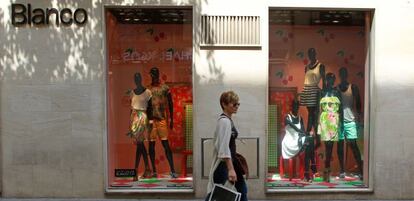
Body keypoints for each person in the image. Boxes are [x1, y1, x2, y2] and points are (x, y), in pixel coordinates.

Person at [206, 91, 247, 201]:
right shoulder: (224, 122)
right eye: (234, 104)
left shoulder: (228, 120)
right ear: (224, 104)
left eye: (238, 104)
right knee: (216, 195)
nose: (237, 106)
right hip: (224, 165)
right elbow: (223, 147)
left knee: (242, 191)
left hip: (229, 163)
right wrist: (230, 169)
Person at [147, 67, 177, 178]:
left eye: (155, 74)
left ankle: (173, 170)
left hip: (161, 119)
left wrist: (172, 119)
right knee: (151, 145)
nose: (153, 76)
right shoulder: (148, 89)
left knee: (166, 145)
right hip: (151, 121)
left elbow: (170, 103)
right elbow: (145, 105)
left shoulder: (165, 88)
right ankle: (154, 170)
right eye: (152, 75)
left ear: (158, 74)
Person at [337, 67, 363, 180]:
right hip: (338, 121)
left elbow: (358, 103)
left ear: (347, 74)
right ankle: (342, 170)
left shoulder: (353, 87)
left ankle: (361, 170)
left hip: (350, 120)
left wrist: (359, 116)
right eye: (341, 73)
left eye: (344, 73)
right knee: (340, 146)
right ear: (339, 75)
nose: (343, 75)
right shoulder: (336, 88)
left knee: (353, 145)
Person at [317, 73, 343, 182]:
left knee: (331, 146)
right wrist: (318, 124)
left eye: (333, 78)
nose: (331, 80)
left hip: (334, 120)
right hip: (324, 120)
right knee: (327, 146)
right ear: (326, 79)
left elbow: (341, 110)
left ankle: (328, 171)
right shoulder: (322, 92)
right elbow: (319, 110)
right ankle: (326, 171)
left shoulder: (337, 92)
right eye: (329, 78)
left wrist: (341, 124)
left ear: (334, 80)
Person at [127, 72, 152, 181]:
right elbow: (131, 108)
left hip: (142, 116)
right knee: (139, 144)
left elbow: (150, 108)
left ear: (141, 79)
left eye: (138, 77)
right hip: (134, 116)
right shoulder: (132, 93)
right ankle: (147, 169)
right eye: (135, 78)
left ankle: (136, 171)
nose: (137, 80)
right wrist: (130, 123)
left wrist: (150, 122)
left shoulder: (147, 92)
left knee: (140, 143)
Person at [300, 48, 325, 149]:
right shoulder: (307, 67)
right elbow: (306, 79)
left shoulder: (320, 66)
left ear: (315, 53)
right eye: (309, 53)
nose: (311, 55)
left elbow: (324, 81)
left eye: (313, 53)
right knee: (312, 115)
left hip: (315, 91)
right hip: (307, 90)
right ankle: (316, 139)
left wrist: (324, 94)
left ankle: (308, 136)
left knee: (313, 115)